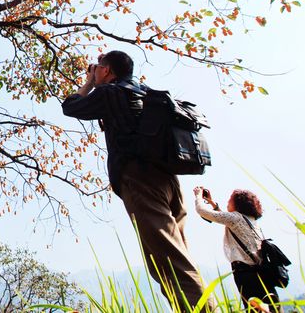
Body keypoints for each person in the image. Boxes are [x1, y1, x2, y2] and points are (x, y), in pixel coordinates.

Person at [62, 50, 214, 311]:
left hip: (141, 180)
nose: (94, 70)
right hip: (169, 182)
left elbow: (71, 106)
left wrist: (88, 82)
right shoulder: (145, 92)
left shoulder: (111, 92)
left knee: (170, 259)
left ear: (107, 70)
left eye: (98, 66)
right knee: (169, 257)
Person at [193, 186, 281, 311]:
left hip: (246, 274)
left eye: (230, 199)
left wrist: (198, 196)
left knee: (253, 309)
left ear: (238, 204)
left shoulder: (235, 218)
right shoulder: (250, 220)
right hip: (260, 273)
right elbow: (226, 219)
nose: (228, 202)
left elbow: (203, 212)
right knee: (270, 308)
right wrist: (212, 203)